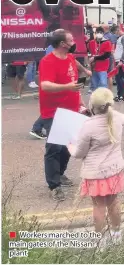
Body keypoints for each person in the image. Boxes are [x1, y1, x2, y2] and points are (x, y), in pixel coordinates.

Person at [68, 88, 124, 243]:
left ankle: (99, 240)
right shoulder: (118, 118)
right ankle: (116, 235)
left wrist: (70, 147)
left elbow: (79, 153)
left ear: (92, 106)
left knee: (99, 206)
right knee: (114, 202)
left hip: (96, 173)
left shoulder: (88, 126)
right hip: (114, 170)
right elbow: (123, 118)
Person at [40, 29, 90, 201]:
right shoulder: (48, 61)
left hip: (72, 109)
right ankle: (54, 185)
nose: (74, 41)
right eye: (71, 39)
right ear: (62, 44)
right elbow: (45, 85)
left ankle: (60, 174)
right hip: (54, 111)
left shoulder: (69, 57)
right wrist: (67, 87)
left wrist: (80, 101)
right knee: (54, 148)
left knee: (68, 146)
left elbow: (74, 82)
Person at [88, 27, 113, 92]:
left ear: (103, 33)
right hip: (94, 66)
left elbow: (107, 55)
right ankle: (96, 99)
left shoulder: (107, 42)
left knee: (103, 84)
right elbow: (90, 52)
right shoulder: (91, 42)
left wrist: (95, 58)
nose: (99, 34)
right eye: (97, 32)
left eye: (101, 33)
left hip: (103, 67)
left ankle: (103, 99)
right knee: (95, 85)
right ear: (95, 33)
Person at [112, 25, 124, 102]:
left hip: (121, 61)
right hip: (119, 60)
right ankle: (121, 95)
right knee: (119, 79)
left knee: (121, 79)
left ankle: (122, 95)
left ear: (118, 30)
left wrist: (121, 61)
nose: (115, 34)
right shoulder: (120, 38)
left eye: (115, 32)